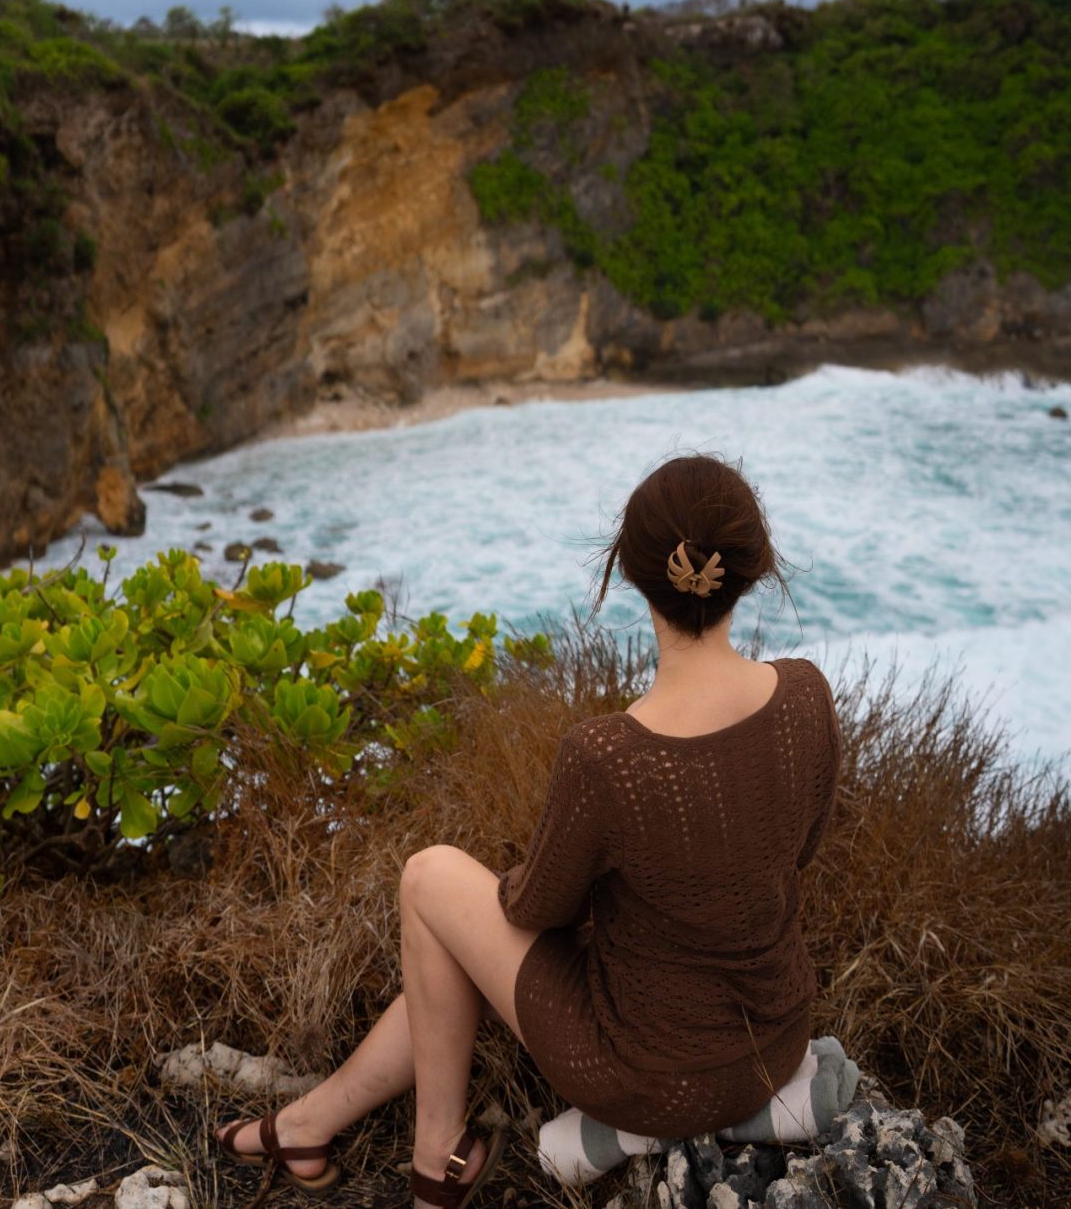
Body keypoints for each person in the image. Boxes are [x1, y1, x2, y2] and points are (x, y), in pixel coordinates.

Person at [216, 451, 842, 1207]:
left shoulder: (608, 755)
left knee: (430, 880)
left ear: (631, 574)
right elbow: (797, 852)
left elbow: (533, 911)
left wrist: (522, 870)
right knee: (453, 938)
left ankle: (436, 1161)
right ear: (754, 568)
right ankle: (309, 1123)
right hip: (770, 1049)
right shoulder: (808, 697)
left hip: (644, 1077)